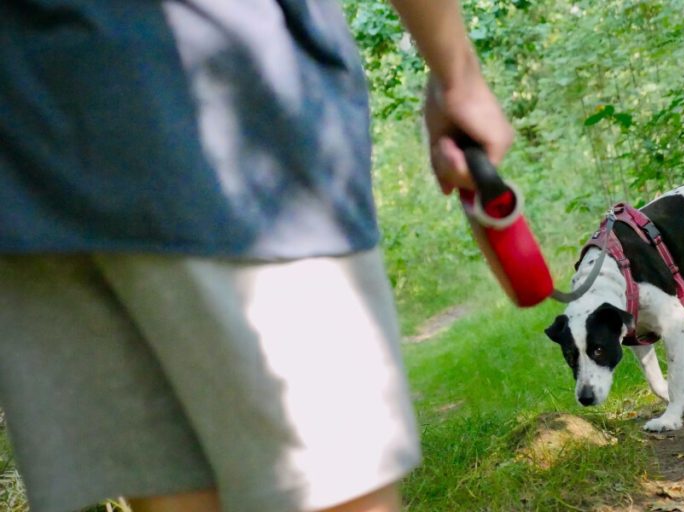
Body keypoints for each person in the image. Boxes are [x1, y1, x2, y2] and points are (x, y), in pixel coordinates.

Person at [0, 0, 513, 511]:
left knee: (180, 498)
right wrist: (458, 74)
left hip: (32, 150)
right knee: (335, 491)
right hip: (229, 117)